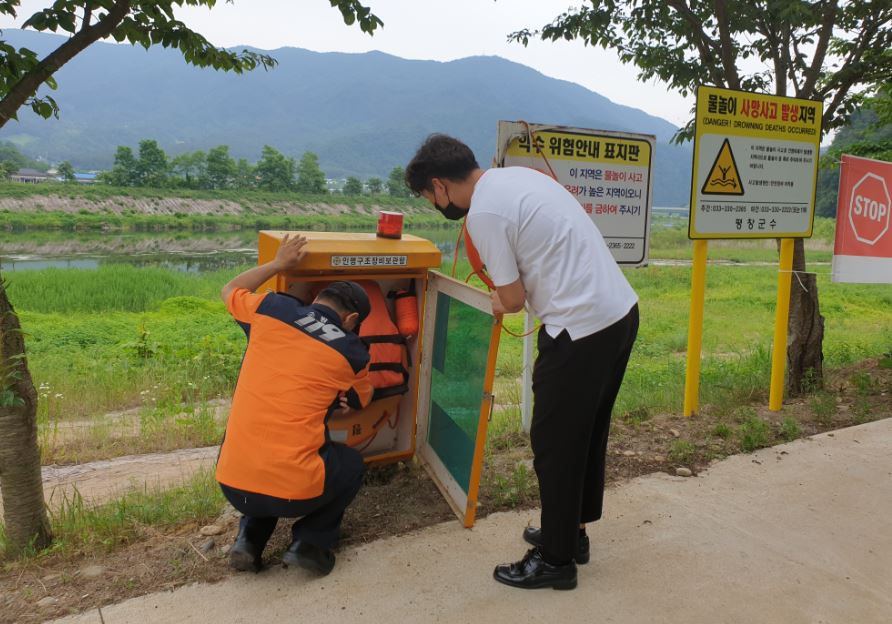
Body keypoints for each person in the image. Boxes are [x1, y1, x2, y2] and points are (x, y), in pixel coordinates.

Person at [406, 134, 639, 590]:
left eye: (428, 198)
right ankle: (571, 532)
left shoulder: (484, 214)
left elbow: (511, 300)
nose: (435, 206)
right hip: (619, 313)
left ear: (439, 186)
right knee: (585, 435)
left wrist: (493, 299)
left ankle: (555, 561)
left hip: (579, 329)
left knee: (554, 444)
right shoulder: (515, 178)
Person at [215, 233, 373, 576]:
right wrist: (341, 395)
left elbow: (228, 290)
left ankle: (249, 541)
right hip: (294, 492)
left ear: (316, 298)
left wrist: (278, 264)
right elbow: (363, 398)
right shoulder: (352, 349)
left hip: (230, 479)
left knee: (267, 452)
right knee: (349, 462)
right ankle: (310, 544)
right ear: (351, 321)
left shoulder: (271, 309)